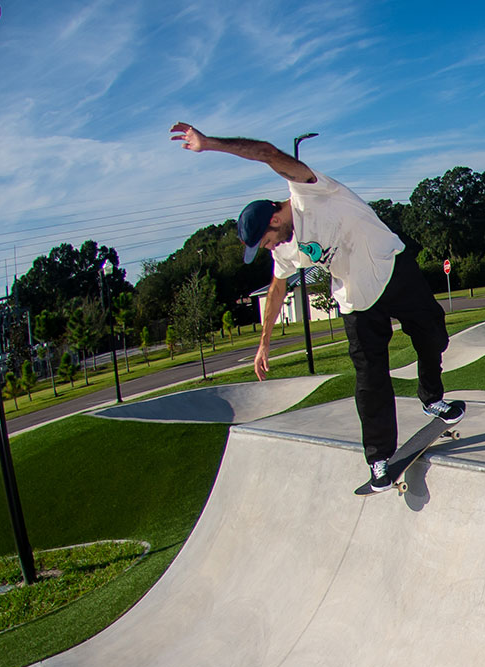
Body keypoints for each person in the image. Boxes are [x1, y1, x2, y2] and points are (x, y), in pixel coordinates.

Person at [169, 122, 462, 492]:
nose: (269, 248)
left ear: (274, 218)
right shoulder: (283, 248)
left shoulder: (312, 192)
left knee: (433, 333)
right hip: (355, 299)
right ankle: (378, 458)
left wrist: (209, 143)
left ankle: (432, 399)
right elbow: (277, 291)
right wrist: (263, 343)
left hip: (393, 267)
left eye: (266, 240)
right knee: (370, 376)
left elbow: (267, 153)